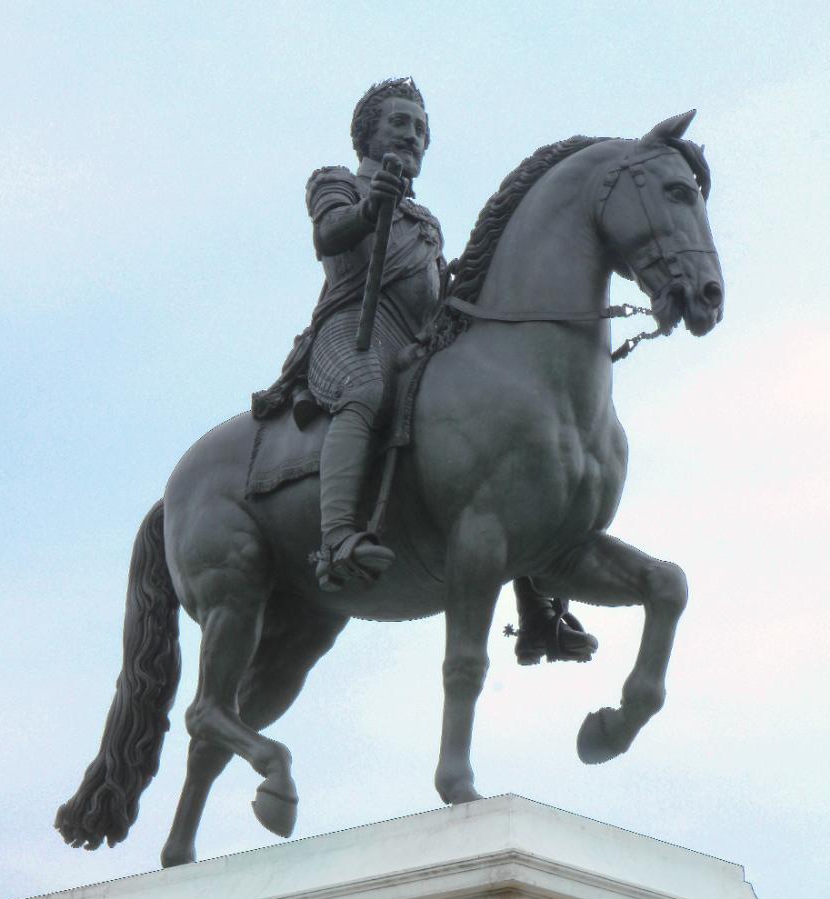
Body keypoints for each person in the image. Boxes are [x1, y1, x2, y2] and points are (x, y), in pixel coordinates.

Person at [252, 78, 597, 661]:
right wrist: (369, 207)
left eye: (420, 129)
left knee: (499, 432)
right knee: (364, 388)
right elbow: (329, 234)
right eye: (399, 124)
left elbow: (434, 295)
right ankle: (335, 541)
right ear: (369, 133)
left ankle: (539, 612)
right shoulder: (335, 180)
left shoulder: (424, 221)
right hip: (353, 329)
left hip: (416, 343)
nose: (412, 136)